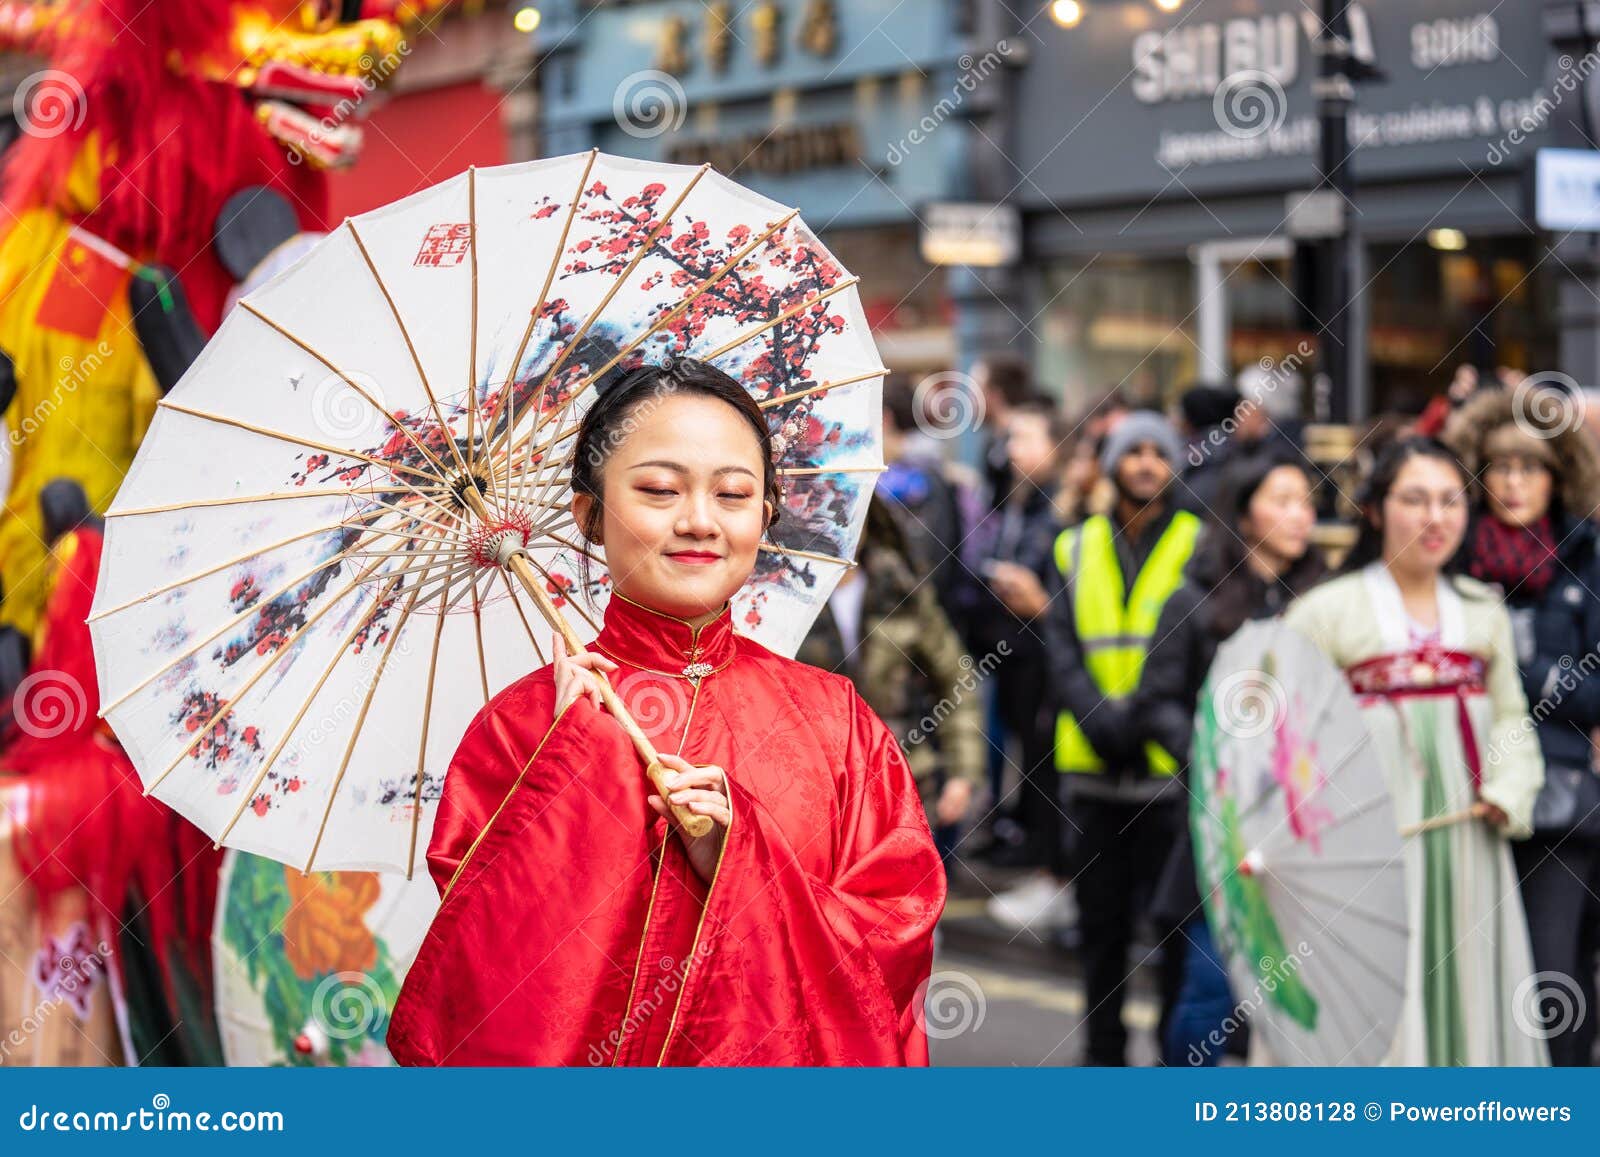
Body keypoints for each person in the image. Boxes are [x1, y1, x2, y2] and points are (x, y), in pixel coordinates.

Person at [388, 357, 945, 1067]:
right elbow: (481, 1000)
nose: (699, 521)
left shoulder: (836, 721)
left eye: (734, 494)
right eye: (658, 489)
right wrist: (572, 778)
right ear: (589, 512)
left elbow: (894, 942)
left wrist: (743, 860)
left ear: (765, 516)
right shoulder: (523, 727)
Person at [1283, 437, 1547, 1066]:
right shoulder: (1324, 612)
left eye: (1451, 501)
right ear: (1375, 510)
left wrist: (1506, 790)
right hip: (1367, 855)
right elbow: (1289, 744)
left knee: (1468, 1001)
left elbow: (1512, 717)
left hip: (1469, 848)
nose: (1436, 518)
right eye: (1415, 499)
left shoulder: (1484, 612)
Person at [1138, 452, 1324, 1066]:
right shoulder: (1193, 604)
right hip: (1220, 829)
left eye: (1307, 503)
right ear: (1244, 516)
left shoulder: (1323, 609)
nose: (1301, 516)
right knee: (1207, 994)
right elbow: (1156, 703)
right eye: (1283, 500)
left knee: (1298, 1005)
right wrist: (1216, 757)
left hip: (1304, 832)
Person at [1442, 389, 1600, 1066]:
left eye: (1529, 468)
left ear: (1557, 476)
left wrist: (1515, 667)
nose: (1513, 483)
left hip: (1560, 807)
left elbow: (1594, 691)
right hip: (1461, 792)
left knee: (1550, 977)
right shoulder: (1449, 556)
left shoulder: (1586, 560)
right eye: (1500, 467)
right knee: (1466, 975)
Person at [1043, 410, 1201, 1064]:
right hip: (1093, 768)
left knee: (1173, 931)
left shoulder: (1199, 541)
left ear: (1172, 465)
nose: (1144, 462)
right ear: (1111, 465)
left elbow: (1201, 652)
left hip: (1166, 772)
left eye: (1156, 452)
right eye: (1131, 452)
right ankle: (1102, 1061)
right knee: (1101, 934)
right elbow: (1058, 646)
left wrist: (1142, 721)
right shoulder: (1072, 546)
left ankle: (1170, 1057)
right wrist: (1098, 716)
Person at [797, 494, 984, 859]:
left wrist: (963, 771)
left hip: (904, 783)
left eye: (849, 511)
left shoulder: (902, 588)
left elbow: (955, 679)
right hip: (814, 794)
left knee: (909, 902)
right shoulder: (782, 598)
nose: (840, 523)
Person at [965, 398, 1065, 910]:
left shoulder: (1063, 509)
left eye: (1025, 438)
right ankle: (1034, 852)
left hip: (1049, 658)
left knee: (1049, 761)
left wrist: (1042, 604)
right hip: (1014, 649)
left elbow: (1071, 602)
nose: (1012, 449)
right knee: (1027, 756)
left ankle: (1056, 873)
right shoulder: (1014, 499)